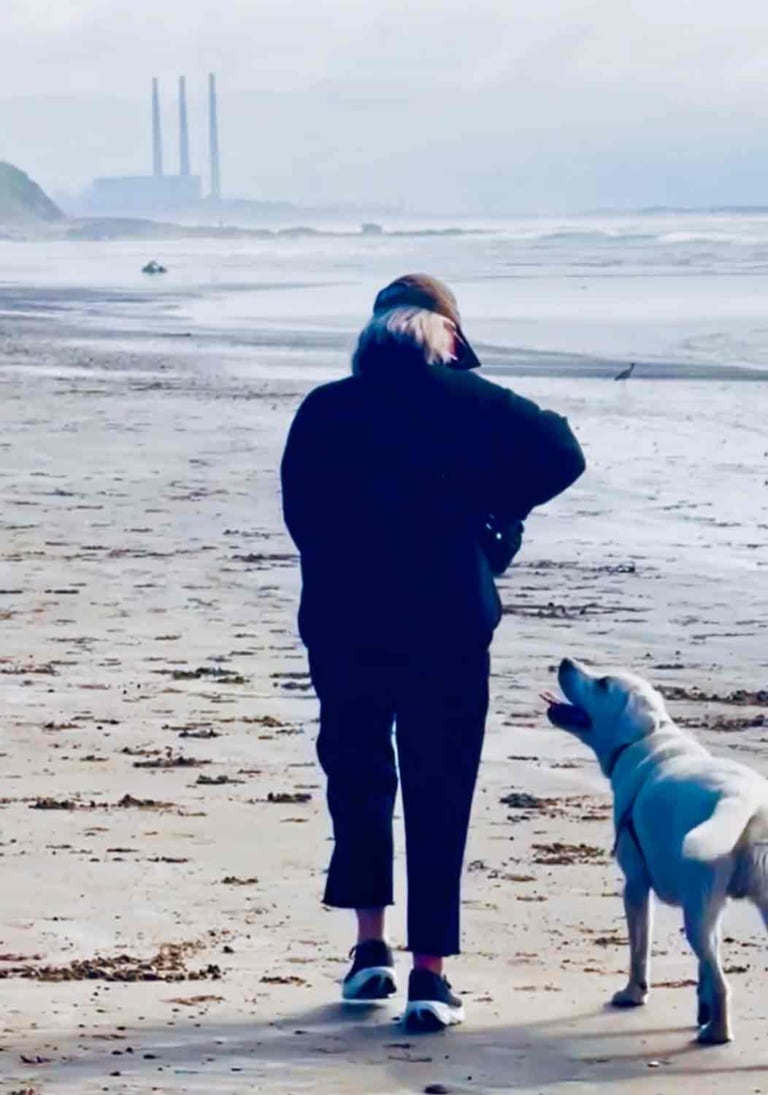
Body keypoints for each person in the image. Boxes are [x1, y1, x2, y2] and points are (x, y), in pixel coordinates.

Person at [280, 274, 585, 1031]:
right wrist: (492, 512)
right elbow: (562, 452)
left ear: (375, 335)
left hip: (345, 620)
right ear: (445, 336)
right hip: (446, 621)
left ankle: (369, 950)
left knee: (357, 775)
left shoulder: (326, 408)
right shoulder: (472, 404)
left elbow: (302, 514)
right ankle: (429, 974)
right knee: (439, 786)